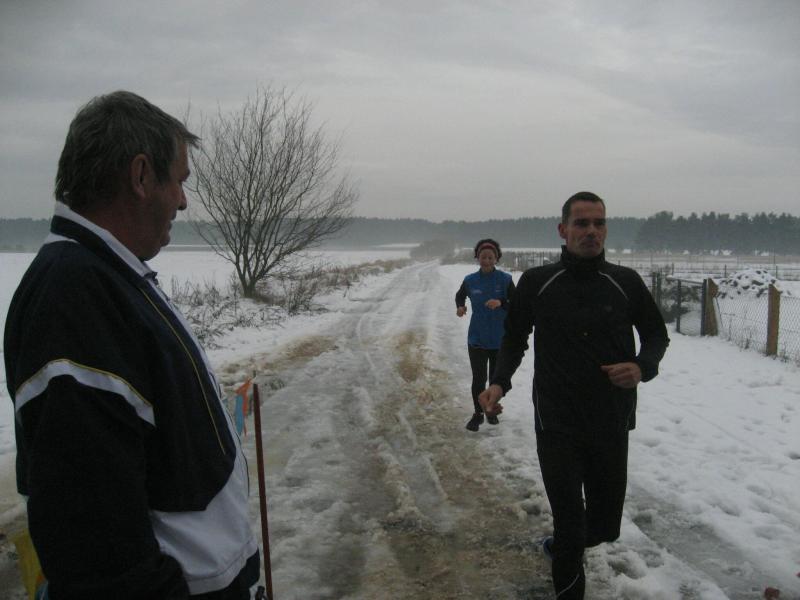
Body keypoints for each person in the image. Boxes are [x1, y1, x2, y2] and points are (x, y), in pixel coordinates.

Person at [4, 91, 260, 599]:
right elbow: (97, 550)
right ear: (141, 176)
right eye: (180, 181)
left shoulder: (108, 277)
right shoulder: (74, 300)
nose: (183, 201)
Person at [479, 192, 669, 599]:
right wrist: (499, 382)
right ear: (563, 230)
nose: (591, 231)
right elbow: (514, 338)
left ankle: (566, 544)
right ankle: (565, 551)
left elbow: (656, 335)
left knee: (603, 528)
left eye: (599, 223)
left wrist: (641, 367)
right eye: (581, 223)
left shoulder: (625, 282)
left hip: (611, 420)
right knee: (570, 525)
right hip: (556, 421)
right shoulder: (537, 282)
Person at [455, 238, 515, 432]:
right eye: (483, 257)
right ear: (478, 258)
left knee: (495, 379)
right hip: (477, 338)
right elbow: (460, 295)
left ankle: (491, 410)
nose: (487, 260)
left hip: (499, 339)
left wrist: (501, 303)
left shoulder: (505, 279)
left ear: (496, 259)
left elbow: (517, 303)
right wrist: (460, 307)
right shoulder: (470, 280)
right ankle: (478, 413)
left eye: (490, 257)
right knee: (478, 379)